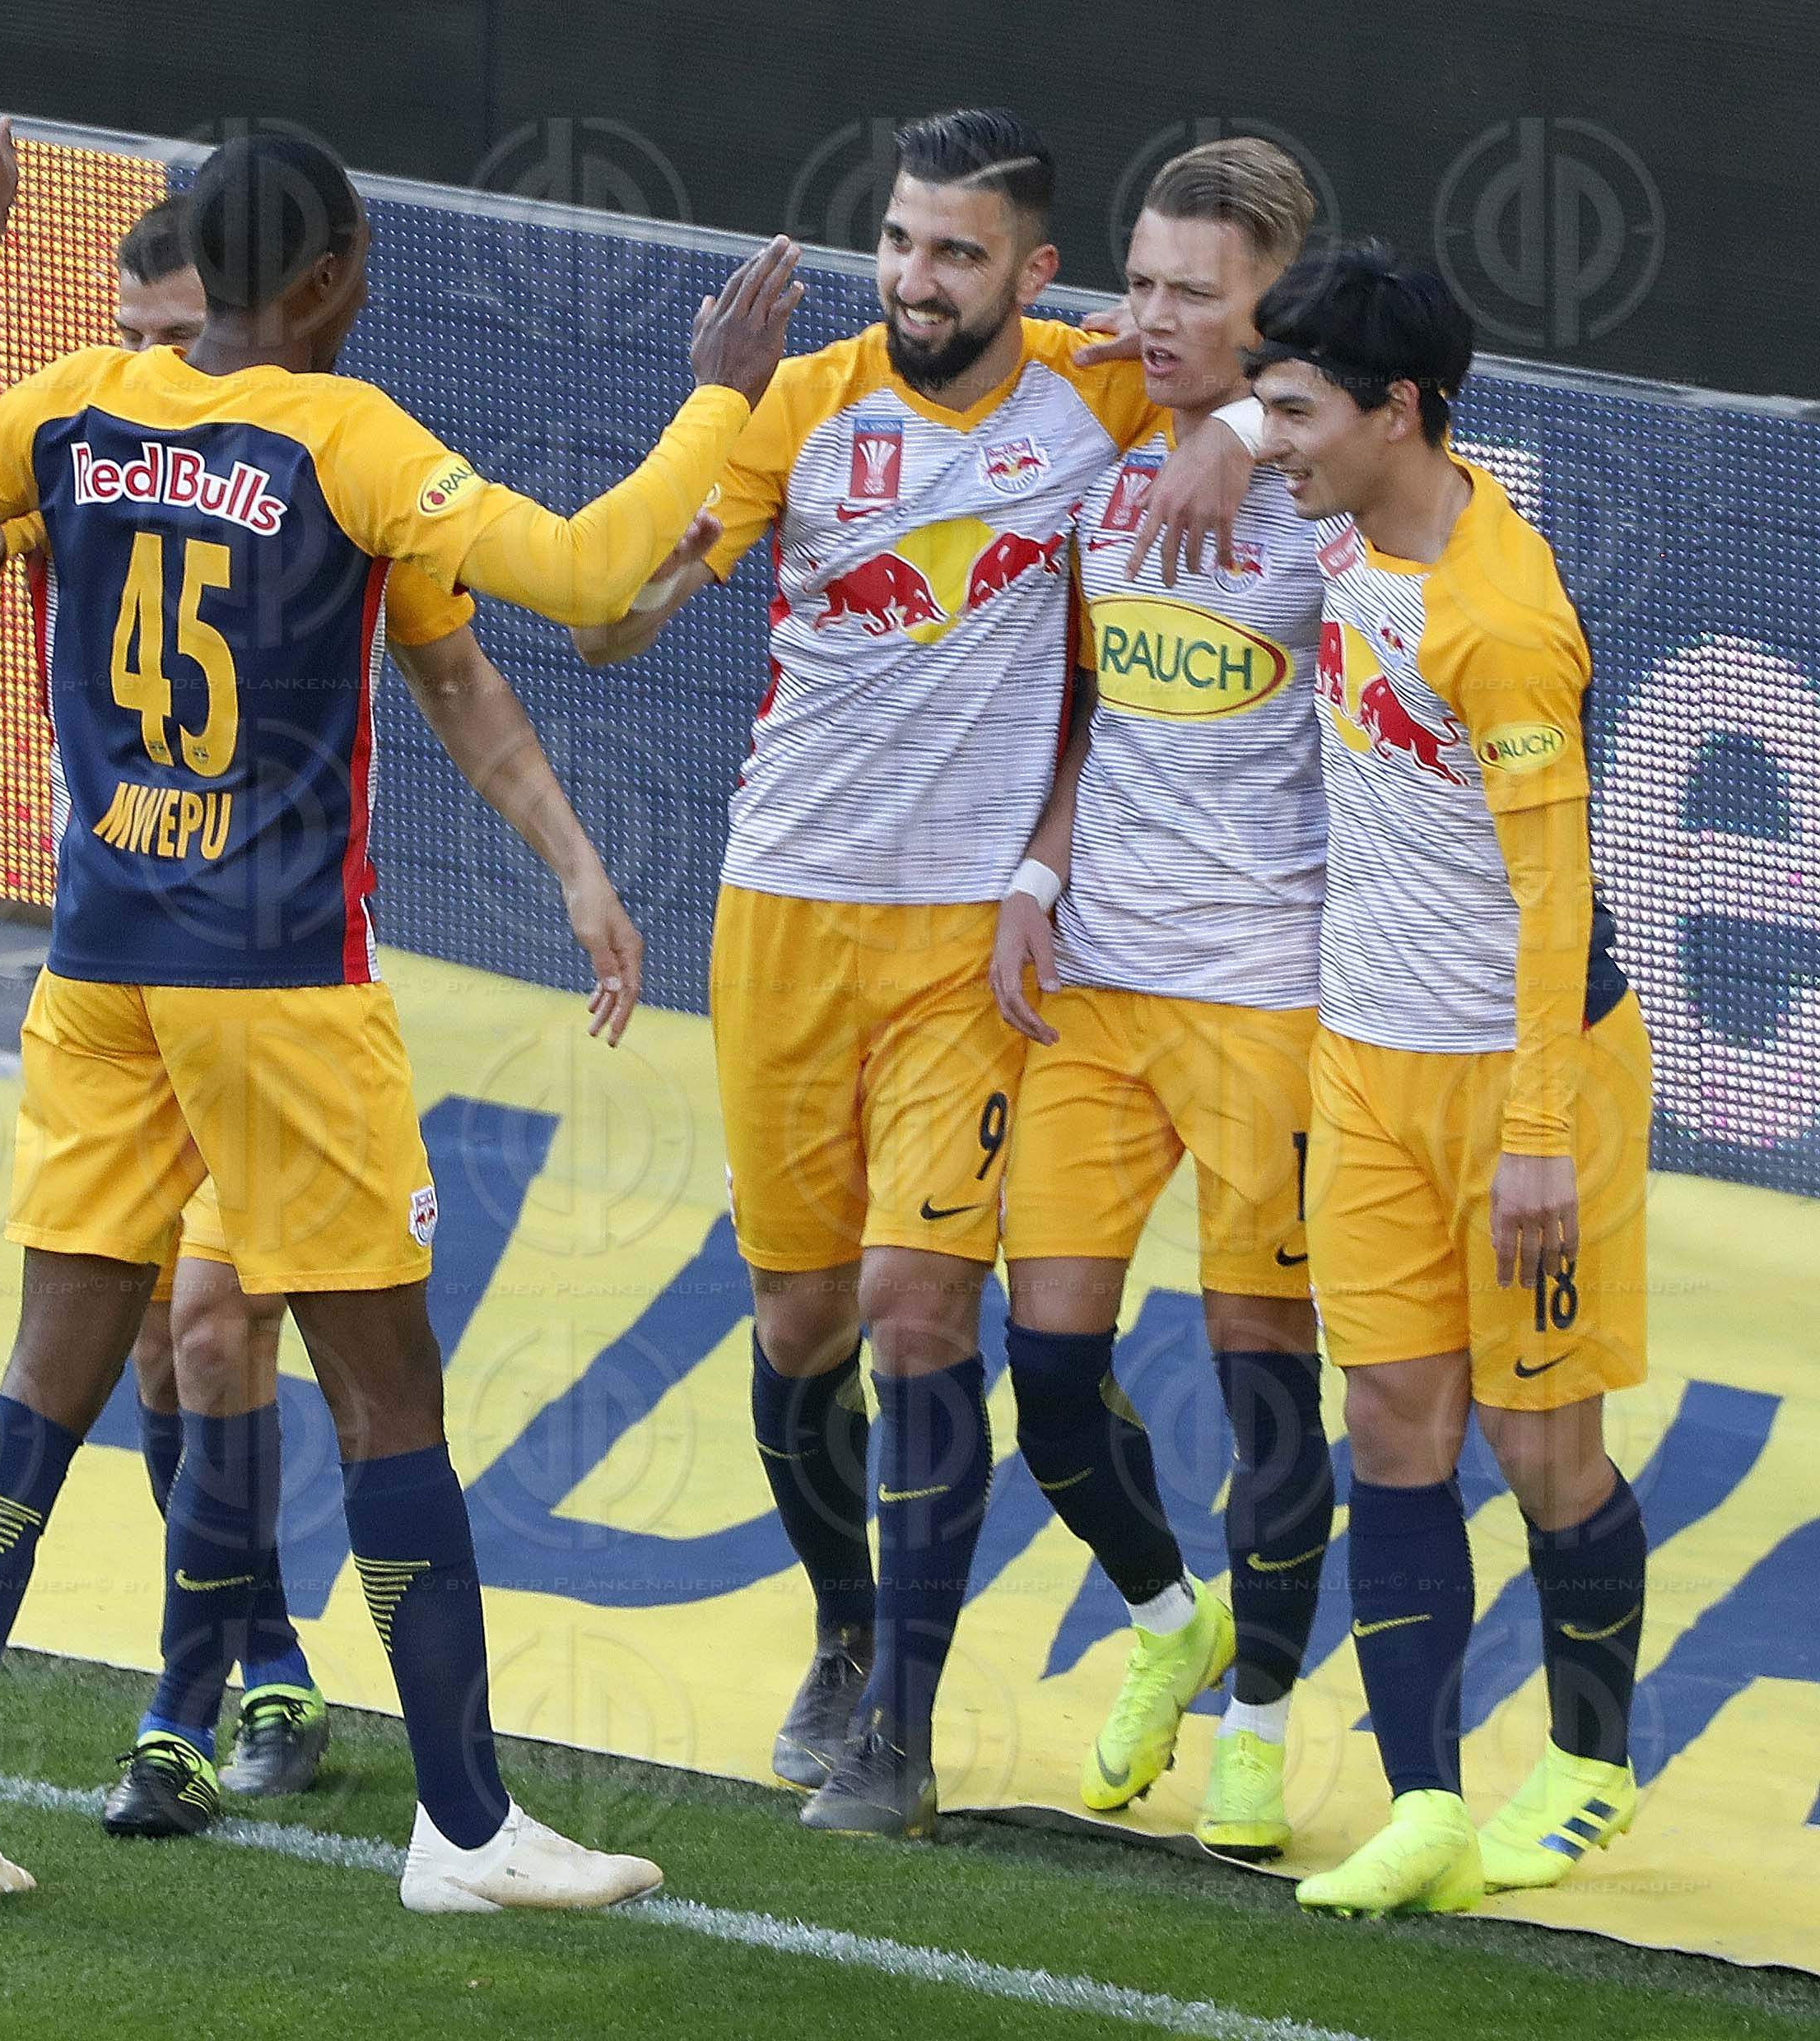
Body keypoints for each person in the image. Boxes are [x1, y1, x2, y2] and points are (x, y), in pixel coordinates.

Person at [0, 65, 798, 1907]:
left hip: (97, 964)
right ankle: (462, 1828)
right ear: (344, 270)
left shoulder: (76, 403)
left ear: (199, 260)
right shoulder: (345, 433)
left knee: (42, 1387)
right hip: (277, 984)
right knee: (388, 1398)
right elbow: (592, 570)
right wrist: (711, 402)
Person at [575, 106, 1260, 1839]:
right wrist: (704, 406)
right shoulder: (797, 406)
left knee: (913, 1307)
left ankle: (900, 1725)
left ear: (1035, 272)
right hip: (783, 918)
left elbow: (1312, 363)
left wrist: (1239, 422)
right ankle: (843, 1623)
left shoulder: (1097, 394)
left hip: (970, 944)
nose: (914, 279)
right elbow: (611, 620)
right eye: (896, 242)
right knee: (796, 1324)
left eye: (955, 253)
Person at [1247, 245, 1651, 1916]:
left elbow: (1557, 890)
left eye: (1294, 411)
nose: (1265, 437)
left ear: (1393, 412)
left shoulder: (1502, 617)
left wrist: (1541, 1142)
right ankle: (1420, 1802)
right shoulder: (1346, 527)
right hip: (1367, 1067)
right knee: (1389, 1422)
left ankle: (1586, 1764)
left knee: (1537, 1444)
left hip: (1524, 1087)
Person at [989, 137, 1331, 1861]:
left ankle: (1261, 1723)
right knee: (1046, 1370)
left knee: (1268, 1382)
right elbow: (1092, 713)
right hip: (1096, 992)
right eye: (1143, 280)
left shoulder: (1335, 487)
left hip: (1267, 1000)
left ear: (1278, 306)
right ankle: (1161, 1617)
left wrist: (1257, 428)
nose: (1156, 316)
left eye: (1197, 291)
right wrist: (1038, 878)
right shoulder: (1105, 436)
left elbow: (1433, 453)